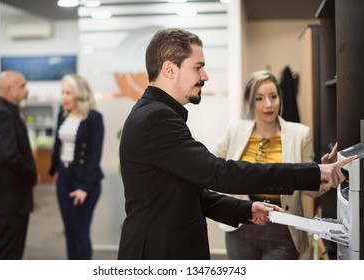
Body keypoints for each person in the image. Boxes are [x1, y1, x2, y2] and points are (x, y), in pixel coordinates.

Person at [117, 28, 354, 260]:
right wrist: (313, 172)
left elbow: (187, 194)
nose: (205, 76)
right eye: (198, 67)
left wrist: (245, 209)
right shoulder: (156, 118)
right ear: (169, 69)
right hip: (158, 254)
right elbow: (220, 172)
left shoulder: (157, 113)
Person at [212, 70, 337, 260]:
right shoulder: (235, 130)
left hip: (283, 228)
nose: (269, 104)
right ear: (248, 102)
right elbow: (211, 167)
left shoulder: (300, 134)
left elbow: (310, 191)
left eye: (273, 96)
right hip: (241, 226)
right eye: (260, 98)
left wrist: (321, 173)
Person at [0, 70, 38, 260]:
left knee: (12, 249)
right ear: (9, 90)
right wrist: (31, 175)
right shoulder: (2, 114)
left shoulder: (6, 111)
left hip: (10, 196)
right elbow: (8, 155)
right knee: (9, 252)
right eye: (22, 85)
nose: (26, 90)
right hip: (10, 197)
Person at [49, 74, 104, 260]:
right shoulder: (61, 115)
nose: (63, 97)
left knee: (80, 232)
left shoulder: (94, 118)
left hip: (85, 180)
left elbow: (95, 155)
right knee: (69, 231)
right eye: (62, 92)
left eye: (68, 93)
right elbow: (58, 145)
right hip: (64, 178)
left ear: (79, 95)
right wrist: (56, 169)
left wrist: (85, 187)